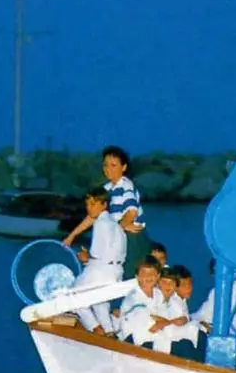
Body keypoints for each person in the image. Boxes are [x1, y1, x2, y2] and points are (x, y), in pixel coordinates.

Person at [63, 146, 152, 279]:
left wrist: (118, 229)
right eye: (105, 165)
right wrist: (72, 235)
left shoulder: (125, 186)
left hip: (132, 239)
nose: (108, 169)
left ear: (124, 167)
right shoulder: (107, 189)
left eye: (113, 165)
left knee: (131, 279)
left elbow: (131, 212)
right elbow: (93, 215)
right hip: (120, 237)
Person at [71, 188, 126, 335]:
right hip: (116, 273)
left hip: (102, 271)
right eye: (87, 204)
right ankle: (109, 331)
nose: (89, 208)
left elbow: (96, 253)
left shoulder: (101, 223)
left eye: (93, 204)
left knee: (73, 297)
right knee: (99, 303)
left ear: (104, 205)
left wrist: (85, 256)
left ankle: (96, 330)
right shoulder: (116, 225)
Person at [116, 257, 163, 348]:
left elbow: (166, 317)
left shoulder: (159, 294)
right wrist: (164, 322)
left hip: (154, 340)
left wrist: (162, 321)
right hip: (132, 343)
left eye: (152, 273)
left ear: (158, 276)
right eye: (143, 273)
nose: (148, 276)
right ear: (137, 277)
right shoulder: (133, 297)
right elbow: (152, 327)